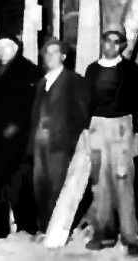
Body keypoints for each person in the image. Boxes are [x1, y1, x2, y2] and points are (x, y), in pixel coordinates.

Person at [82, 24, 138, 255]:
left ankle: (131, 238)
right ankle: (103, 233)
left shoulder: (132, 71)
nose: (110, 46)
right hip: (97, 129)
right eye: (107, 40)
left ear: (122, 46)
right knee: (99, 184)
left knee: (123, 181)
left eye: (116, 42)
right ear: (102, 43)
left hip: (122, 128)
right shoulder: (92, 70)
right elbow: (86, 102)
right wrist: (85, 131)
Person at [0, 35, 43, 238]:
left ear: (16, 48)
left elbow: (33, 103)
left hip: (15, 139)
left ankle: (27, 227)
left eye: (7, 46)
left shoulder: (28, 70)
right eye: (0, 46)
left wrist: (17, 126)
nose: (2, 50)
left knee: (18, 183)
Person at [29, 38, 90, 233]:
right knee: (40, 185)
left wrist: (71, 139)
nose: (49, 56)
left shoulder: (74, 81)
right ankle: (43, 227)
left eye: (54, 52)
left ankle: (55, 230)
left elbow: (82, 114)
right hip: (39, 141)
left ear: (63, 56)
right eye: (46, 53)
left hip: (60, 143)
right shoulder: (41, 82)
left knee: (57, 185)